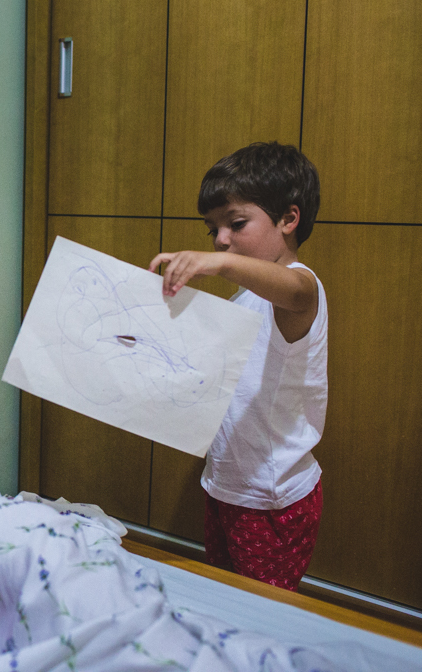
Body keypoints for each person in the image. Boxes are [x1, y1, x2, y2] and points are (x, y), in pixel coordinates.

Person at [147, 141, 326, 591]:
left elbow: (295, 291)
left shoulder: (302, 288)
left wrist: (222, 263)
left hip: (270, 498)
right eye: (213, 230)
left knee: (262, 614)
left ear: (289, 218)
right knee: (228, 597)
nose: (221, 238)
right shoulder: (248, 294)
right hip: (227, 484)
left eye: (236, 224)